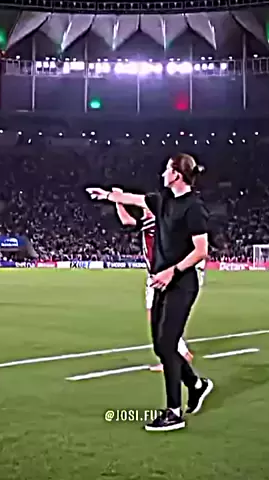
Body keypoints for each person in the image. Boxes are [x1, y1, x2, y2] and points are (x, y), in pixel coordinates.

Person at [87, 153, 214, 432]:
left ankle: (173, 412)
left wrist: (172, 271)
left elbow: (201, 251)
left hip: (181, 282)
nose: (162, 173)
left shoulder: (194, 207)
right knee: (160, 346)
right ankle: (196, 385)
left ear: (177, 174)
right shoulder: (163, 200)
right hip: (161, 281)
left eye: (167, 169)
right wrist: (107, 195)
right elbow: (134, 199)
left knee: (167, 344)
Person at [111, 187, 194, 372]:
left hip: (164, 276)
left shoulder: (158, 222)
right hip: (154, 276)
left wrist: (118, 197)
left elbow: (129, 220)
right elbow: (126, 220)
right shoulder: (149, 222)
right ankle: (177, 353)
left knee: (163, 319)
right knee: (156, 319)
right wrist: (118, 201)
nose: (144, 209)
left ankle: (177, 356)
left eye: (147, 207)